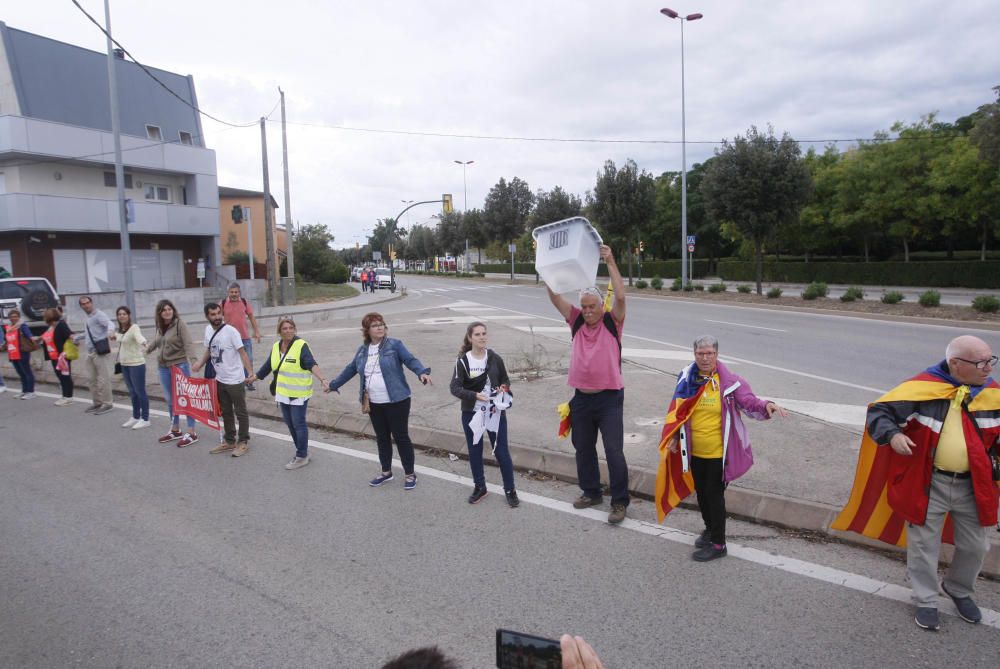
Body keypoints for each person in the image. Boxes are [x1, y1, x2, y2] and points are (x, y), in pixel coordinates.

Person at [832, 335, 1000, 631]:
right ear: (956, 364)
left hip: (974, 486)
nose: (988, 367)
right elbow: (879, 412)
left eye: (990, 360)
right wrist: (893, 435)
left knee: (976, 545)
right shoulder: (923, 388)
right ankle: (926, 599)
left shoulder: (993, 393)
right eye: (981, 362)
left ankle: (959, 589)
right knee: (924, 544)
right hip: (928, 483)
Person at [658, 335, 787, 561]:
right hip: (693, 450)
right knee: (702, 495)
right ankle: (709, 530)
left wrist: (767, 405)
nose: (705, 358)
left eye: (710, 353)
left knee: (714, 496)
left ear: (717, 355)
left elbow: (748, 400)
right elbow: (679, 410)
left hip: (719, 453)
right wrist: (675, 438)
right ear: (694, 354)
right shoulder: (687, 378)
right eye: (701, 353)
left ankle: (719, 544)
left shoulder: (729, 382)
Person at [545, 244, 629, 524]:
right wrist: (550, 268)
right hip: (581, 398)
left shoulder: (611, 321)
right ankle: (591, 491)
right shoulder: (577, 320)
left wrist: (611, 261)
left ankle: (619, 502)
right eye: (585, 307)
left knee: (614, 452)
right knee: (583, 448)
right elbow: (554, 297)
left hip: (609, 399)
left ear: (600, 306)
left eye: (592, 307)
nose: (588, 311)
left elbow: (620, 294)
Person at [326, 312, 431, 490]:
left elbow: (410, 360)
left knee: (401, 437)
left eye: (381, 324)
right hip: (373, 403)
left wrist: (422, 372)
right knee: (382, 438)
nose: (380, 327)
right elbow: (350, 369)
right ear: (367, 330)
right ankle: (386, 472)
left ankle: (410, 474)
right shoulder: (362, 350)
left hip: (397, 400)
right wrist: (333, 384)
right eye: (375, 325)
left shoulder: (394, 345)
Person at [449, 322, 519, 507]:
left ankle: (510, 489)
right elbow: (455, 388)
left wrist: (503, 389)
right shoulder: (463, 361)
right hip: (471, 414)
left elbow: (505, 379)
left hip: (495, 413)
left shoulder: (494, 358)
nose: (482, 337)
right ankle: (480, 487)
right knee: (475, 452)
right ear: (470, 337)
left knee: (502, 452)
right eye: (477, 334)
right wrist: (474, 395)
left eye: (484, 334)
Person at [247, 317, 325, 469]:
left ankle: (302, 456)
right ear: (279, 331)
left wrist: (322, 378)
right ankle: (302, 451)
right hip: (282, 392)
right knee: (290, 424)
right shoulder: (276, 346)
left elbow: (311, 363)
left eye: (291, 328)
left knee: (298, 423)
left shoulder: (301, 345)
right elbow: (268, 365)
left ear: (295, 330)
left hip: (299, 392)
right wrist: (254, 378)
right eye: (285, 328)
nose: (288, 331)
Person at [193, 303, 253, 457]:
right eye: (213, 314)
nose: (217, 317)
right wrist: (200, 363)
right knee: (226, 412)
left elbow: (243, 352)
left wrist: (250, 373)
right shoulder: (207, 330)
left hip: (235, 379)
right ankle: (230, 440)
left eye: (219, 313)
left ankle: (243, 442)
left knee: (240, 412)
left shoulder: (231, 332)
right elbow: (209, 349)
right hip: (220, 378)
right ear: (207, 316)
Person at [146, 299, 199, 446]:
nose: (167, 312)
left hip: (179, 366)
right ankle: (175, 429)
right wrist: (146, 350)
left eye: (169, 309)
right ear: (160, 313)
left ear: (173, 310)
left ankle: (192, 432)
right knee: (170, 400)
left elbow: (188, 343)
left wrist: (194, 360)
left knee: (185, 399)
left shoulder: (179, 324)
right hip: (163, 367)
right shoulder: (161, 327)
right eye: (164, 310)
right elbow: (157, 341)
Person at [114, 306, 150, 430]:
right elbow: (119, 339)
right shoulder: (120, 330)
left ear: (129, 315)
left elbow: (139, 337)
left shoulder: (134, 328)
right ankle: (135, 416)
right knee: (132, 392)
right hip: (125, 365)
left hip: (136, 364)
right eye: (119, 314)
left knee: (140, 392)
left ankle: (145, 419)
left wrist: (145, 343)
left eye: (124, 314)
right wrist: (112, 336)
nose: (122, 316)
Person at [78, 295, 113, 414]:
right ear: (81, 306)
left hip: (100, 351)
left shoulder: (99, 315)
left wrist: (109, 332)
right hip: (90, 352)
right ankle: (97, 402)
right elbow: (89, 333)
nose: (86, 305)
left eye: (87, 303)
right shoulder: (88, 318)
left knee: (104, 378)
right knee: (91, 379)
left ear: (91, 303)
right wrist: (77, 337)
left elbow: (109, 324)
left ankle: (107, 403)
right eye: (83, 304)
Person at [222, 282, 261, 390]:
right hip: (229, 340)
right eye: (232, 292)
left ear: (239, 293)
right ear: (228, 292)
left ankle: (249, 382)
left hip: (244, 338)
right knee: (231, 362)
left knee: (249, 360)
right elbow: (216, 319)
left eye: (236, 292)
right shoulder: (223, 303)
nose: (234, 294)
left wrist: (256, 331)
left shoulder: (244, 302)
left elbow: (251, 317)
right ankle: (235, 383)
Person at [40, 307, 74, 405]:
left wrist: (73, 338)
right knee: (60, 377)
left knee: (65, 377)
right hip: (53, 355)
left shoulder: (61, 325)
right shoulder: (51, 327)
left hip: (62, 356)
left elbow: (69, 335)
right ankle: (64, 396)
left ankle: (68, 397)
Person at [4, 308, 36, 399]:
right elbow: (8, 340)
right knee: (21, 373)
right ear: (9, 318)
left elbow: (29, 335)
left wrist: (33, 339)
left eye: (16, 316)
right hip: (13, 352)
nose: (14, 318)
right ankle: (24, 391)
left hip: (22, 352)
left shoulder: (22, 326)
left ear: (19, 317)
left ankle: (31, 392)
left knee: (27, 372)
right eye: (12, 316)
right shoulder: (8, 327)